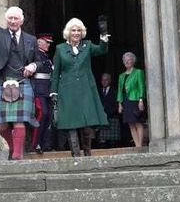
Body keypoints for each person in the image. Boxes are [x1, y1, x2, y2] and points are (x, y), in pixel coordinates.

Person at [0, 0, 42, 160]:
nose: (13, 21)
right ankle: (14, 147)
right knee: (1, 124)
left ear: (21, 21)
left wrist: (33, 66)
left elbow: (39, 60)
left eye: (16, 18)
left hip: (22, 81)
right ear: (6, 20)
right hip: (3, 81)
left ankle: (17, 155)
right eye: (10, 18)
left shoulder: (31, 40)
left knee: (19, 120)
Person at [50, 17, 110, 157]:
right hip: (67, 90)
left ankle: (87, 153)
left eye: (78, 30)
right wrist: (53, 91)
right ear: (68, 32)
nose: (76, 33)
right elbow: (56, 72)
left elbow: (102, 50)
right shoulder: (60, 49)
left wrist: (103, 35)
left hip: (85, 89)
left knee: (86, 123)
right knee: (71, 123)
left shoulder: (87, 45)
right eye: (73, 30)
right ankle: (76, 156)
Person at [117, 52, 146, 147]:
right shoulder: (121, 76)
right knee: (130, 124)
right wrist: (120, 103)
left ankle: (140, 145)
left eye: (129, 60)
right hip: (126, 101)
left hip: (135, 100)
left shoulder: (138, 72)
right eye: (125, 60)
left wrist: (141, 100)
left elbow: (142, 86)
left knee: (138, 122)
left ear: (133, 61)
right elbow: (120, 90)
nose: (127, 62)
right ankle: (137, 145)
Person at [31, 34, 54, 154]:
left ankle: (44, 143)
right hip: (38, 90)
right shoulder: (35, 55)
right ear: (39, 43)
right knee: (42, 114)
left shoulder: (46, 57)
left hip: (47, 90)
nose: (49, 45)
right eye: (47, 42)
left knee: (48, 116)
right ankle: (36, 144)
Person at [98, 73, 120, 148]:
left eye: (106, 80)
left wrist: (112, 112)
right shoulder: (98, 91)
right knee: (102, 140)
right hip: (102, 118)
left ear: (110, 81)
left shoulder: (115, 90)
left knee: (113, 141)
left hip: (112, 116)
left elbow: (117, 103)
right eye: (102, 80)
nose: (104, 82)